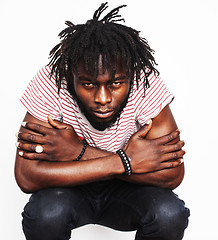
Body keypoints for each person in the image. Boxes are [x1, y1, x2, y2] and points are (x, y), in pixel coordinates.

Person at [15, 3, 190, 240]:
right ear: (70, 76)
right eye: (88, 84)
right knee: (46, 214)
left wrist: (78, 151)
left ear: (130, 77)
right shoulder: (52, 81)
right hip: (68, 188)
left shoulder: (145, 83)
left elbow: (173, 175)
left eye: (116, 83)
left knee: (169, 213)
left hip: (129, 190)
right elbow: (26, 177)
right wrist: (127, 162)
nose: (102, 99)